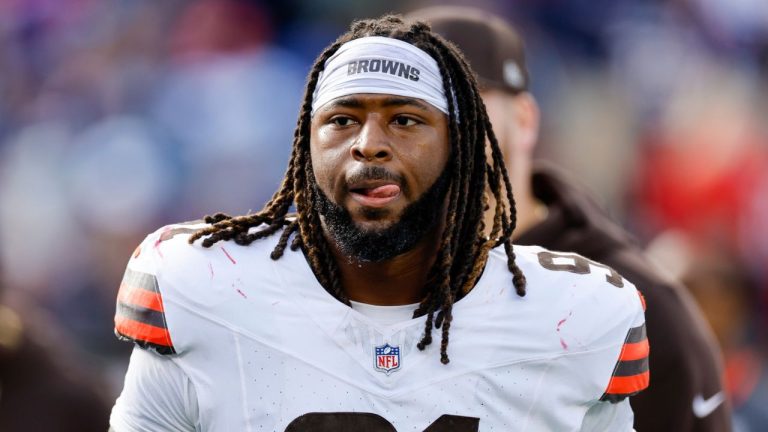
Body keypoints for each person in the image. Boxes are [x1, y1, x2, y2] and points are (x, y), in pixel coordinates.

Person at [109, 15, 648, 431]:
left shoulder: (576, 316)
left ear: (459, 149)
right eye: (342, 120)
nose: (368, 144)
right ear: (305, 146)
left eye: (405, 120)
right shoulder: (201, 286)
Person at [406, 6, 731, 431]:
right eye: (408, 110)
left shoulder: (632, 302)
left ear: (524, 120)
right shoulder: (362, 281)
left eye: (463, 98)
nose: (439, 123)